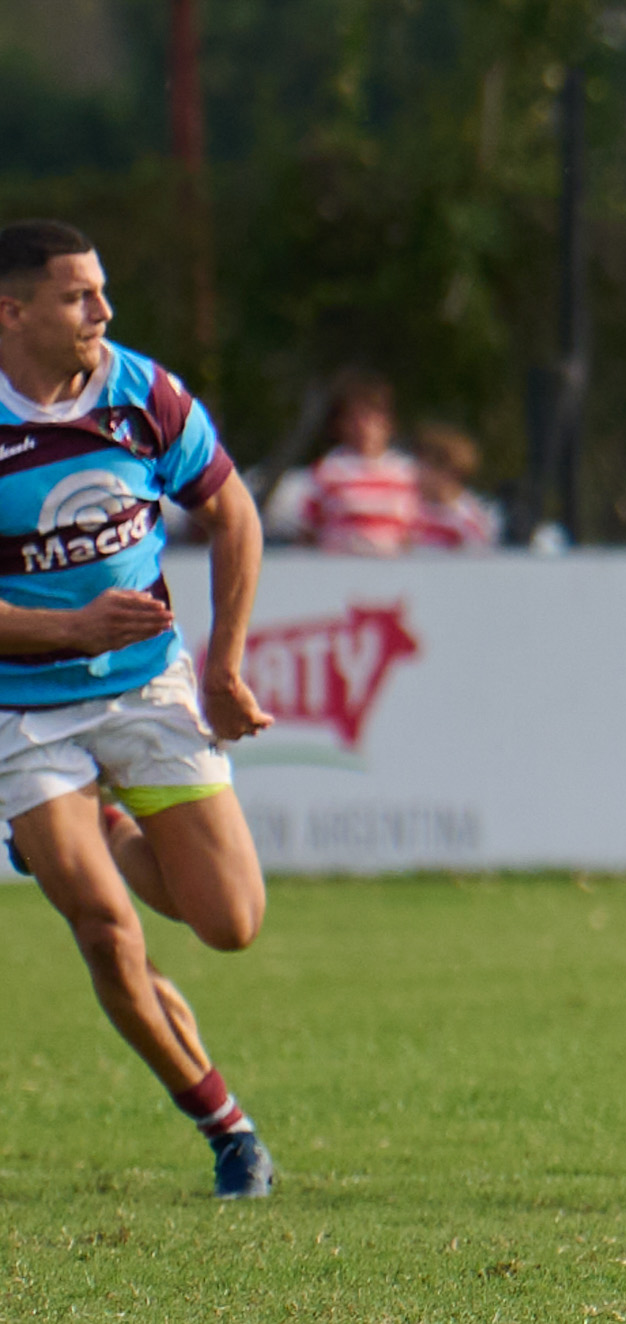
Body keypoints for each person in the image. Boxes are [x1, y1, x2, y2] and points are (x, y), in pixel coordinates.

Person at [0, 219, 277, 1198]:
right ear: (14, 310)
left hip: (148, 682)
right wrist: (72, 629)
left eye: (103, 291)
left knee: (232, 920)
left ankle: (95, 831)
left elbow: (232, 510)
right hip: (23, 711)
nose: (103, 313)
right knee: (110, 935)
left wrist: (223, 666)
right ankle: (227, 1130)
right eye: (81, 296)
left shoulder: (140, 391)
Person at [299, 371, 418, 554]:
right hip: (340, 570)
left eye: (371, 418)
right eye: (355, 418)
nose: (363, 426)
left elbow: (412, 532)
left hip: (392, 572)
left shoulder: (405, 473)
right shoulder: (329, 471)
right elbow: (309, 530)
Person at [411, 422, 500, 550]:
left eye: (425, 466)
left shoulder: (468, 516)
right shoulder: (411, 509)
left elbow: (478, 552)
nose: (416, 471)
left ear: (448, 473)